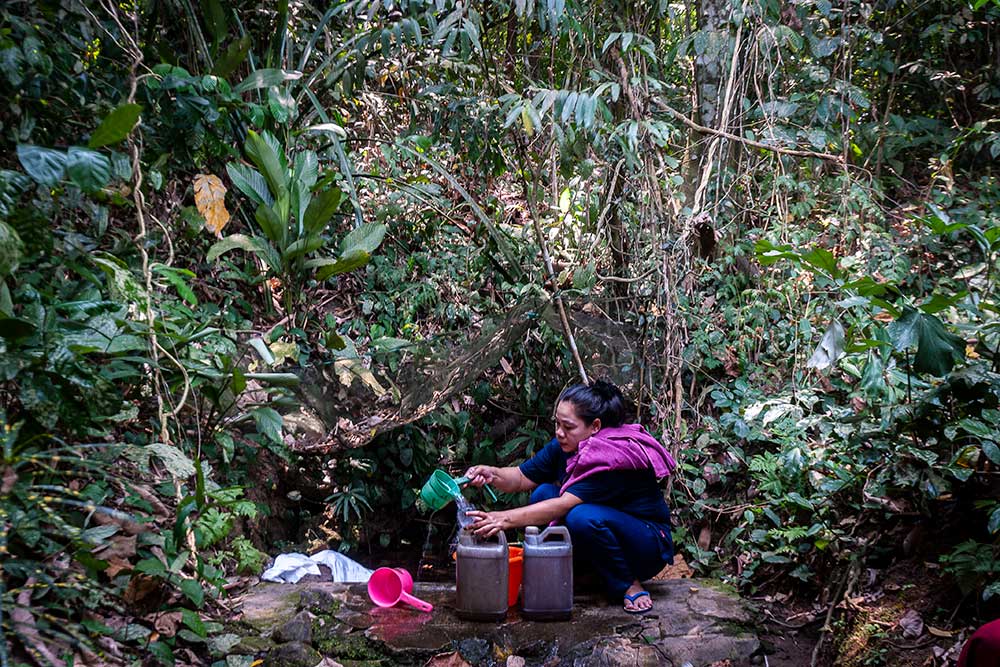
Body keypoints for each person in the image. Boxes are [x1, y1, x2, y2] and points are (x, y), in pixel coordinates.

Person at [464, 380, 677, 614]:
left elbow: (564, 505)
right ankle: (574, 573)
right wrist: (491, 473)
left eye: (567, 426)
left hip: (646, 544)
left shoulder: (609, 457)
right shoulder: (565, 445)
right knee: (544, 492)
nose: (559, 432)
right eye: (557, 423)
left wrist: (502, 519)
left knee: (581, 516)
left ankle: (627, 583)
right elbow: (522, 477)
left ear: (594, 426)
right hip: (603, 534)